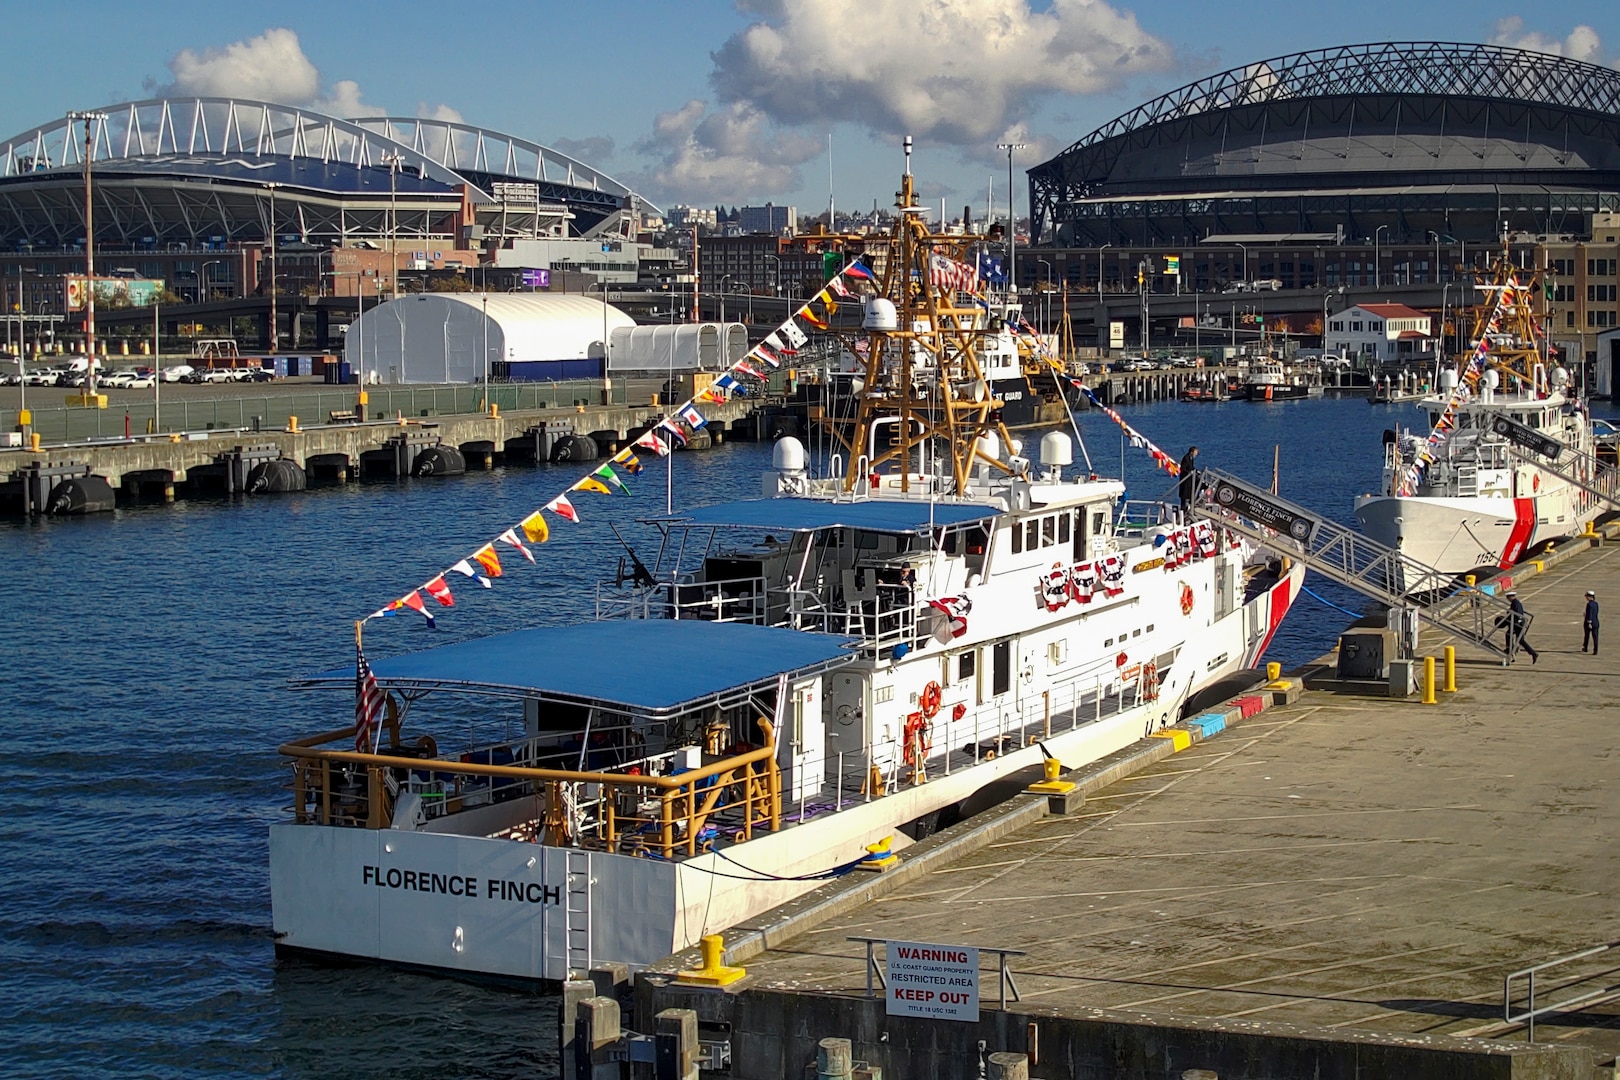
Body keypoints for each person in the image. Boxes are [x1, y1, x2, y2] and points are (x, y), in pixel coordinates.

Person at [1498, 590, 1538, 664]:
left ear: (1510, 597)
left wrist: (1512, 620)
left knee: (1520, 639)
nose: (1508, 599)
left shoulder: (1515, 603)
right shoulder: (1515, 603)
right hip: (1517, 623)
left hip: (1518, 624)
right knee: (1509, 634)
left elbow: (1518, 614)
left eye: (1507, 598)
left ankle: (1533, 653)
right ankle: (1510, 649)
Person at [1178, 446, 1199, 513]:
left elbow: (1191, 467)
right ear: (1191, 452)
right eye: (1195, 452)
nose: (1196, 454)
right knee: (1184, 494)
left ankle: (1191, 504)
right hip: (1185, 479)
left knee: (1191, 491)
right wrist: (1189, 472)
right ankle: (1183, 508)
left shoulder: (1191, 458)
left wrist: (1195, 470)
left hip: (1189, 480)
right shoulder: (1186, 458)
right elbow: (1183, 468)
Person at [1583, 590, 1600, 654]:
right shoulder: (1596, 604)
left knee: (1587, 635)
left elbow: (1590, 613)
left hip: (1589, 622)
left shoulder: (1589, 604)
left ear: (1590, 597)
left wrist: (1589, 622)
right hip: (1596, 622)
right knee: (1595, 637)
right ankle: (1595, 650)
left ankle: (1585, 647)